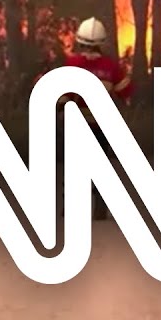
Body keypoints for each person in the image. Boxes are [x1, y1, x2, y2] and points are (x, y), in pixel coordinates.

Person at [52, 17, 133, 220]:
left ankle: (70, 207)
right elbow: (126, 93)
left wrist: (59, 112)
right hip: (102, 127)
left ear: (80, 42)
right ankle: (99, 209)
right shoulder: (111, 67)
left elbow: (62, 96)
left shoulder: (72, 64)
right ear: (101, 44)